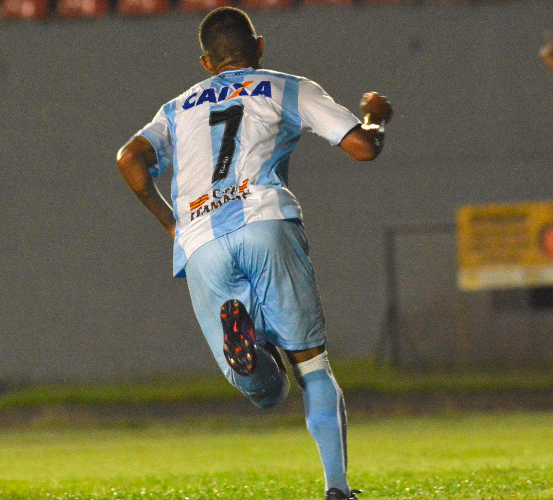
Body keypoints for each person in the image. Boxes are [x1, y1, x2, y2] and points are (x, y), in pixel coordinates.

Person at [116, 7, 392, 500]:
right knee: (311, 366)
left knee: (264, 394)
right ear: (258, 46)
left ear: (206, 63)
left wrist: (174, 228)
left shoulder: (177, 108)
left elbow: (129, 160)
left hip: (201, 242)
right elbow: (363, 148)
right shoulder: (288, 86)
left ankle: (249, 360)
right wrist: (376, 116)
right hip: (265, 221)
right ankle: (337, 490)